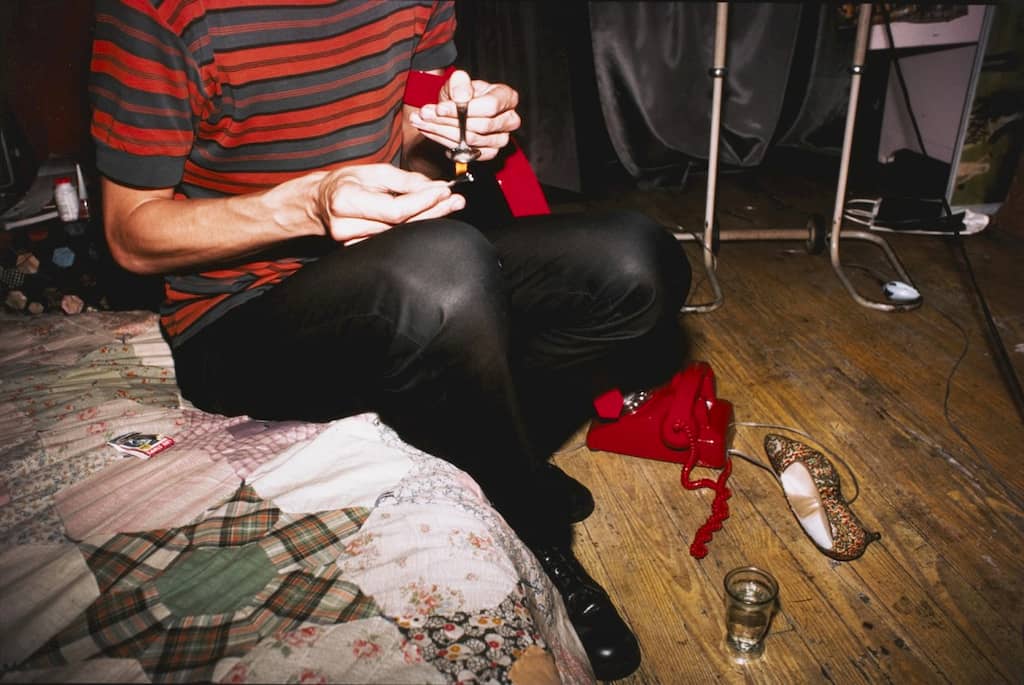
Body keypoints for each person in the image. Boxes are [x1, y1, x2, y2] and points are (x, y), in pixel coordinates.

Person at [89, 1, 690, 680]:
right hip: (238, 316)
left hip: (400, 263)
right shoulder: (160, 11)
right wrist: (309, 203)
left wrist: (455, 134)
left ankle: (496, 444)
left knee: (637, 264)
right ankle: (532, 527)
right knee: (445, 273)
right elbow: (129, 233)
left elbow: (414, 157)